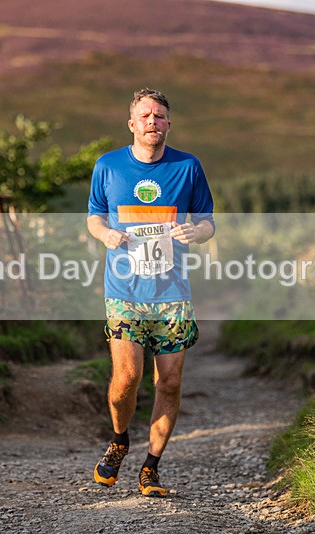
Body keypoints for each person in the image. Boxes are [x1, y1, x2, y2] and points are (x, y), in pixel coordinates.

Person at [87, 88, 215, 497]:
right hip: (123, 289)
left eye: (160, 116)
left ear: (168, 125)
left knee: (170, 383)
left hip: (173, 293)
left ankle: (151, 467)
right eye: (145, 116)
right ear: (132, 124)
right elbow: (93, 217)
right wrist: (106, 234)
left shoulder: (187, 167)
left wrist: (196, 232)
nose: (152, 122)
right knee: (127, 377)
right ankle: (120, 439)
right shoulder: (108, 166)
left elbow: (208, 221)